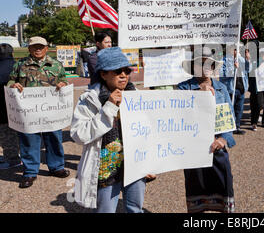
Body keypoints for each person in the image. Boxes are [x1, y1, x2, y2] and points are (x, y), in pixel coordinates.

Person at [70, 47, 155, 212]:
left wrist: (150, 164)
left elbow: (150, 132)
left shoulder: (137, 96)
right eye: (117, 71)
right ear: (103, 74)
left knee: (135, 208)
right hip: (106, 169)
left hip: (134, 166)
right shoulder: (89, 100)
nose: (123, 75)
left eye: (126, 70)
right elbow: (78, 134)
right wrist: (107, 108)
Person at [178, 46, 236, 213]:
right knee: (196, 194)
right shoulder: (183, 88)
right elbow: (180, 120)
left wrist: (223, 140)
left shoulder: (221, 88)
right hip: (194, 152)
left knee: (224, 188)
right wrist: (200, 98)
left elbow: (229, 121)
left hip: (218, 150)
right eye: (200, 64)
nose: (205, 68)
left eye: (209, 64)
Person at [8, 37, 70, 188]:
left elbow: (64, 80)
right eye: (34, 46)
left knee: (54, 137)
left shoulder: (56, 64)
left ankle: (56, 167)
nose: (37, 49)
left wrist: (63, 84)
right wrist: (13, 85)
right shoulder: (20, 65)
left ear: (46, 48)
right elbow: (10, 81)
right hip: (29, 113)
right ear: (29, 48)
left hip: (51, 111)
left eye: (40, 46)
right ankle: (30, 172)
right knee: (29, 140)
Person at [219, 44, 251, 135]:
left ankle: (237, 126)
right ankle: (229, 128)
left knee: (239, 109)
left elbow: (249, 70)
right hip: (230, 89)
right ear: (229, 50)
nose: (236, 51)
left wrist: (248, 60)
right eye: (234, 49)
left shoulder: (240, 59)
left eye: (237, 50)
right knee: (230, 109)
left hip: (241, 88)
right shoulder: (224, 60)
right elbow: (222, 75)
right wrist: (233, 69)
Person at [0, 44, 21, 170]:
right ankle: (17, 155)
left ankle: (13, 159)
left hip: (2, 109)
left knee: (6, 135)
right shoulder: (19, 65)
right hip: (19, 108)